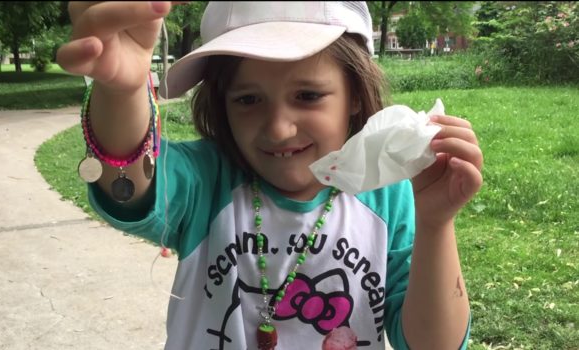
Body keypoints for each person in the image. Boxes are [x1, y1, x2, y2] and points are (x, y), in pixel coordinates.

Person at [57, 2, 483, 349]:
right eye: (247, 99)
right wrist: (122, 91)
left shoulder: (388, 196)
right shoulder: (209, 179)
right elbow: (128, 182)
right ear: (222, 105)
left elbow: (435, 344)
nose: (279, 128)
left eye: (308, 95)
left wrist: (435, 222)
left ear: (354, 94)